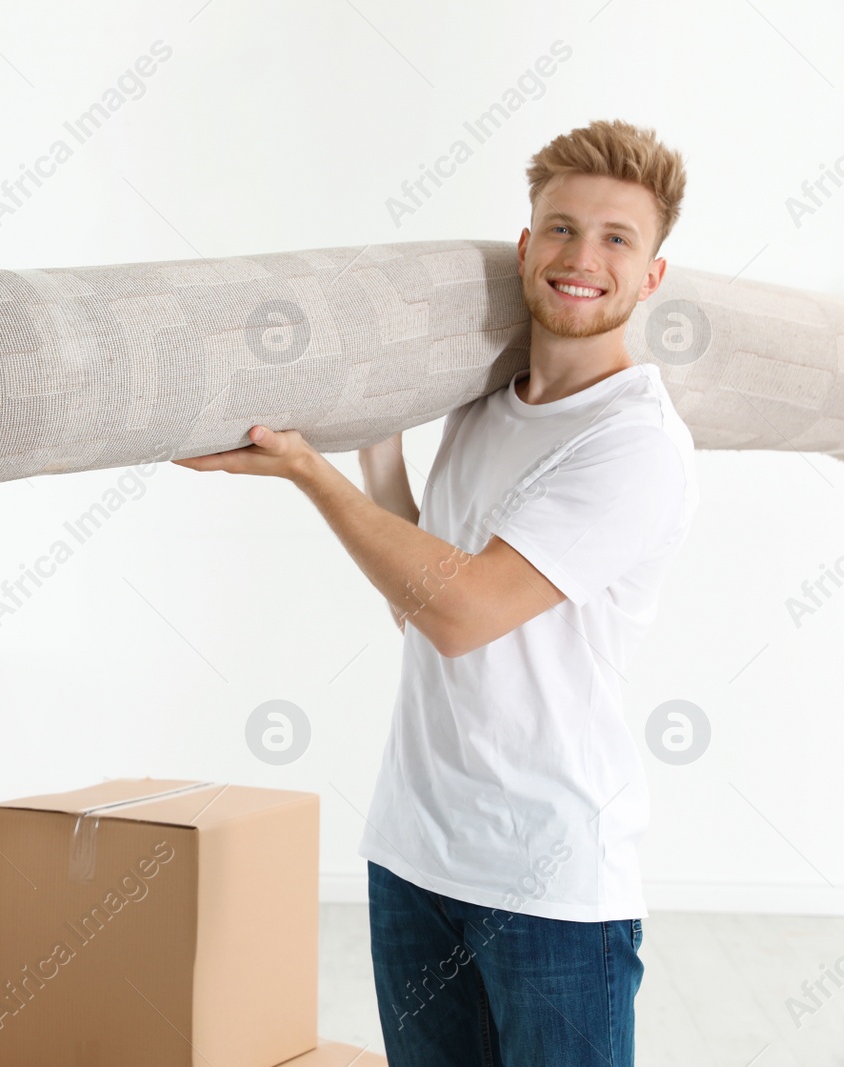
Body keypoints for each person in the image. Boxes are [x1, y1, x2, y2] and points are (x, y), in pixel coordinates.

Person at [174, 119, 696, 1066]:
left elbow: (460, 613)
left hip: (550, 884)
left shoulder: (635, 444)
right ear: (527, 243)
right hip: (414, 853)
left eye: (618, 238)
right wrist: (377, 443)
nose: (584, 257)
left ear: (653, 276)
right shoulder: (484, 409)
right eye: (562, 228)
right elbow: (419, 599)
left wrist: (307, 472)